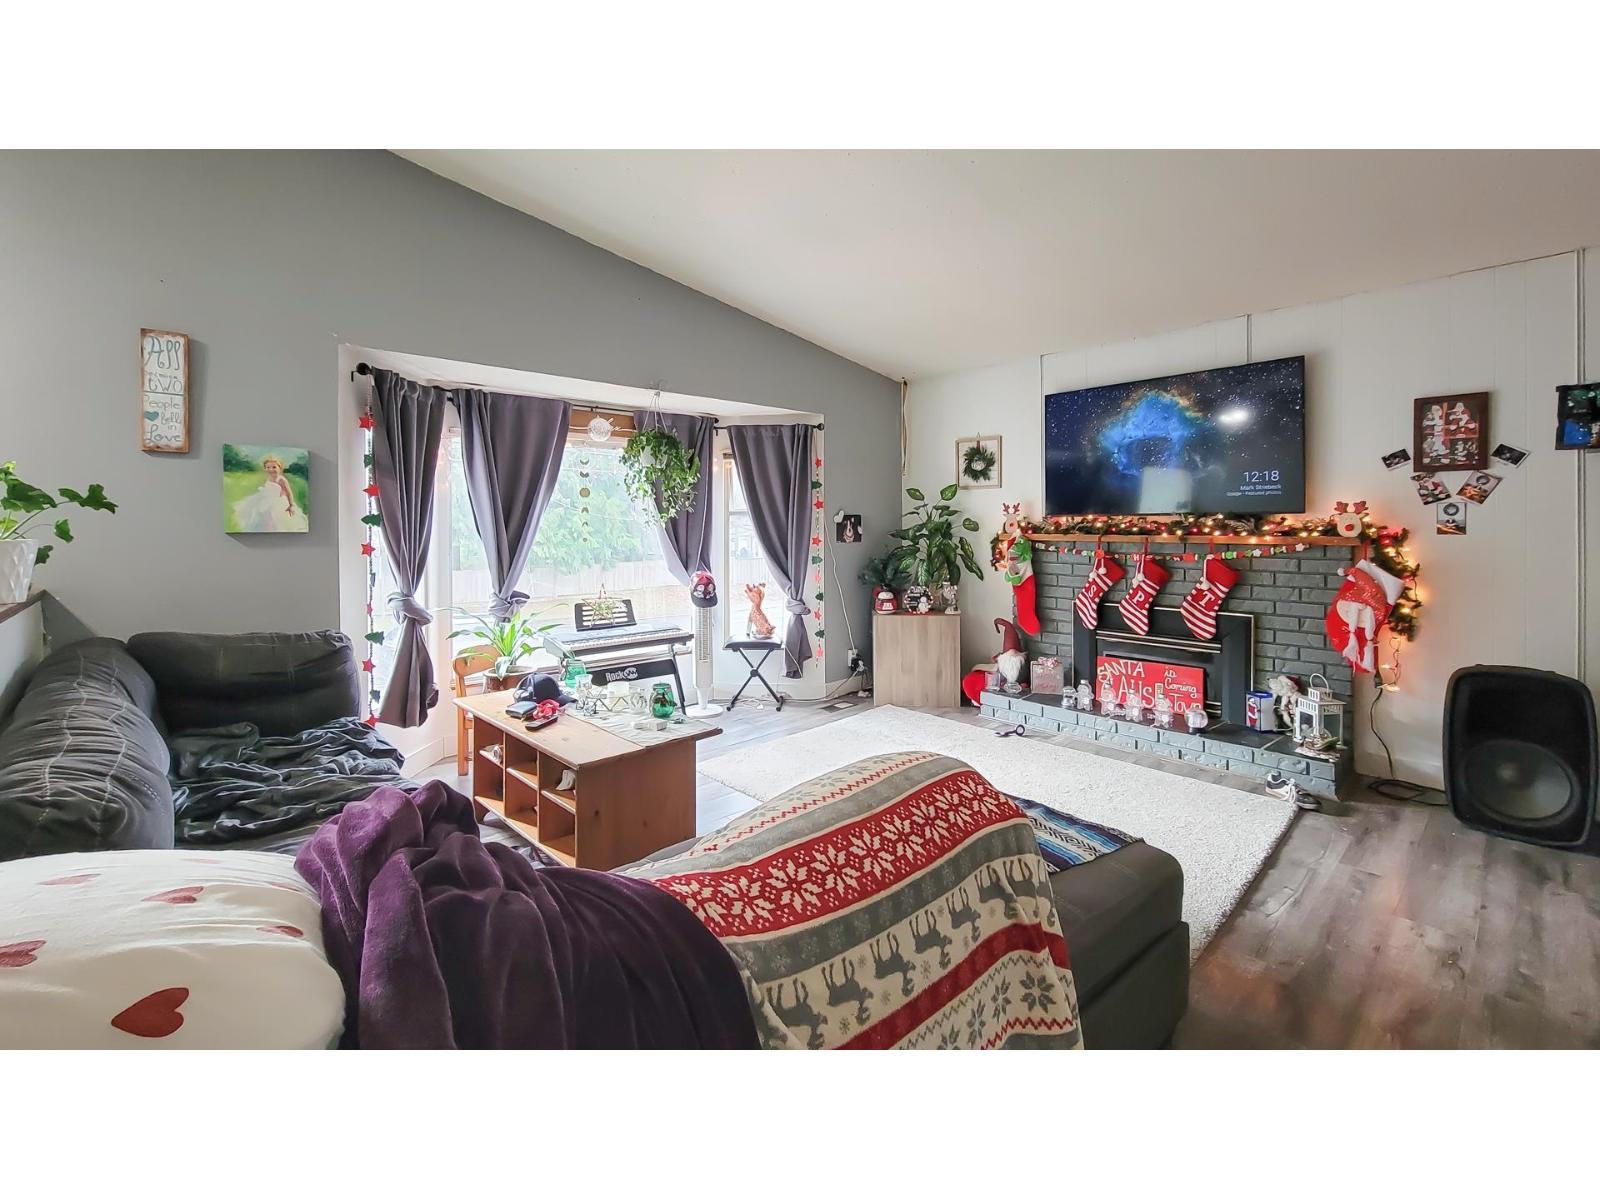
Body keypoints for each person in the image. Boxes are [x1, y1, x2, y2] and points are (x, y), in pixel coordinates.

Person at [232, 454, 308, 533]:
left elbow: (288, 493)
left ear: (280, 468)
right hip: (266, 501)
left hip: (277, 503)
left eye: (274, 467)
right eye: (268, 467)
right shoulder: (269, 478)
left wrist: (291, 505)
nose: (271, 469)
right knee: (264, 519)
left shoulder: (281, 479)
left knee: (276, 521)